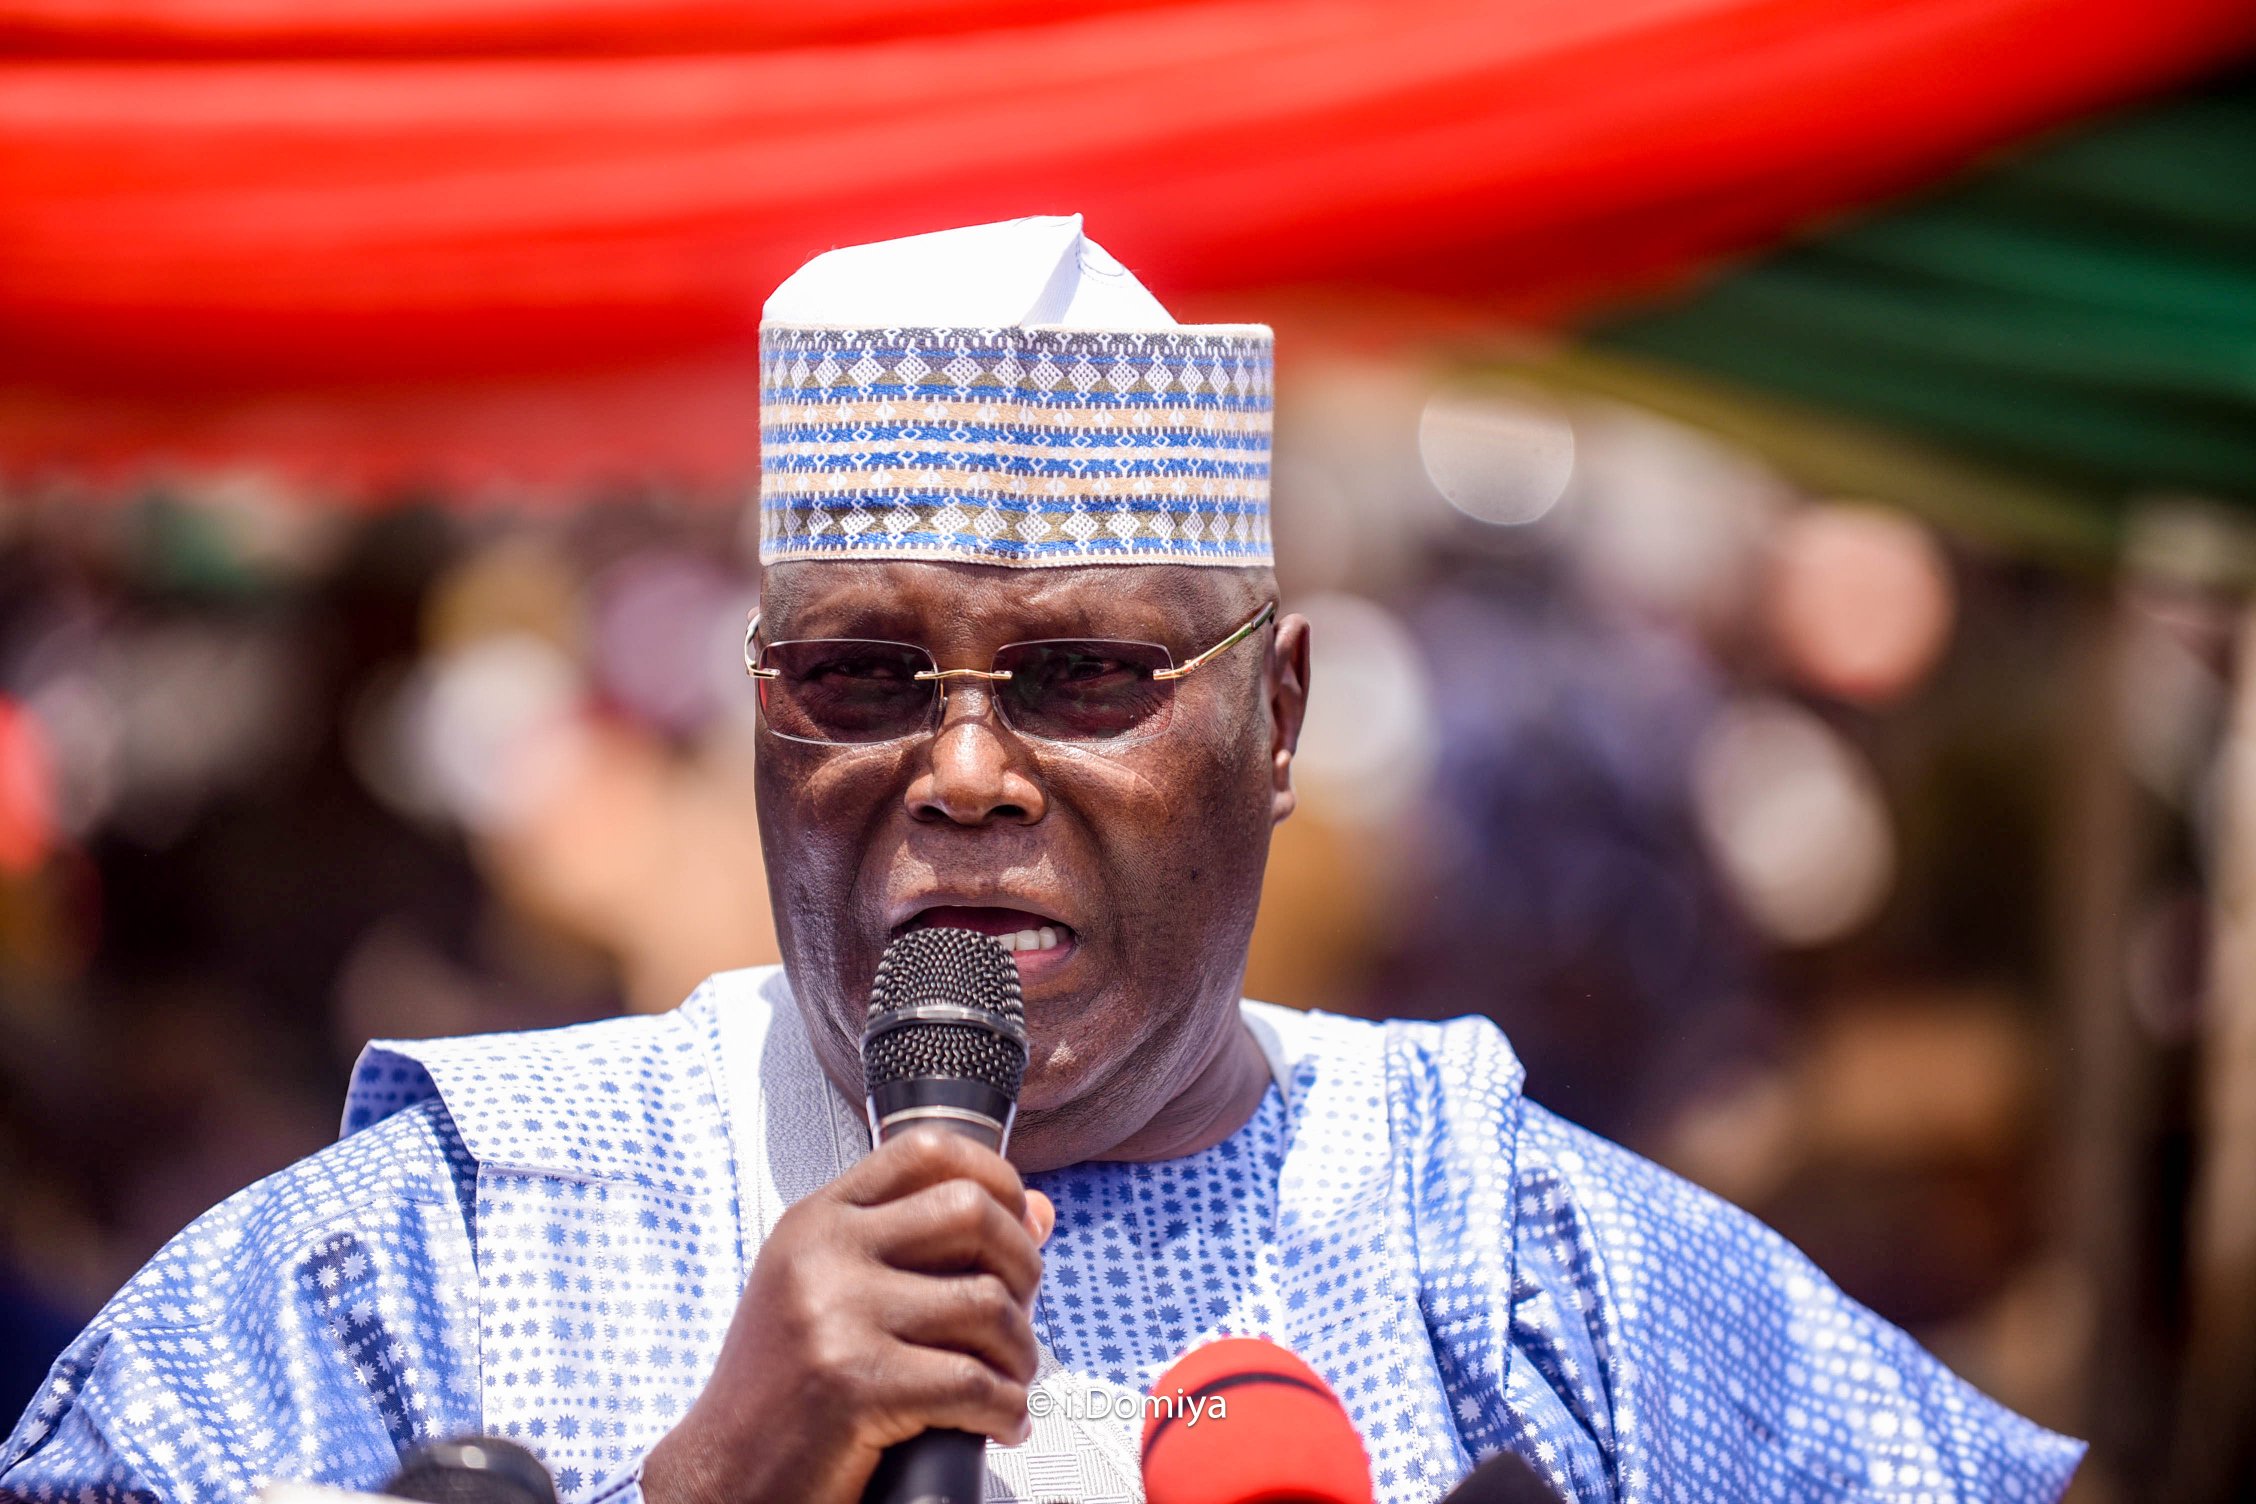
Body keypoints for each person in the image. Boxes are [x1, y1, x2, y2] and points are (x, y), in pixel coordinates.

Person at [0, 217, 2082, 1504]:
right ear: (756, 710)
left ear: (1276, 724)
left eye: (1084, 675)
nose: (968, 767)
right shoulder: (440, 1253)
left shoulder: (1516, 1262)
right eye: (860, 674)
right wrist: (710, 1484)